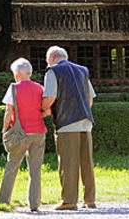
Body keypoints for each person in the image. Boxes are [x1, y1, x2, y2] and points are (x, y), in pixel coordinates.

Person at [41, 45, 97, 211]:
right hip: (86, 121)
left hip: (66, 122)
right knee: (87, 163)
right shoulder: (82, 70)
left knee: (68, 163)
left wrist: (42, 108)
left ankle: (69, 201)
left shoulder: (53, 71)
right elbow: (91, 98)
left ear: (51, 58)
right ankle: (89, 200)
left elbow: (50, 97)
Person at [0, 57, 48, 212]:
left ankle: (3, 201)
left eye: (14, 73)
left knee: (12, 167)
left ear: (18, 73)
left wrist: (4, 130)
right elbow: (47, 110)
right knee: (35, 170)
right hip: (39, 132)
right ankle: (34, 204)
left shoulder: (13, 88)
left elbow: (8, 112)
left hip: (20, 133)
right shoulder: (40, 88)